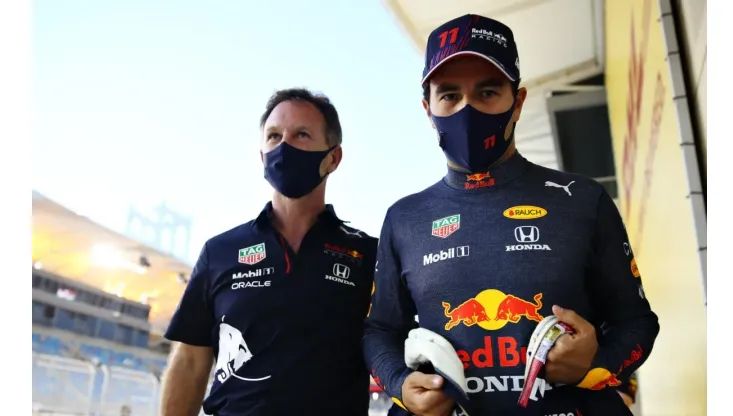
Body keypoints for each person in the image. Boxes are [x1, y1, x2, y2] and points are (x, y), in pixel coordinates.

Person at [363, 14, 660, 416]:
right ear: (428, 109)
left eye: (487, 92)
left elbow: (637, 323)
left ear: (517, 103)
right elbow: (380, 331)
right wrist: (400, 382)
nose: (467, 108)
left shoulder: (582, 199)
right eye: (449, 95)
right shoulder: (404, 218)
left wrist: (596, 365)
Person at [160, 88, 377, 416]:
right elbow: (190, 362)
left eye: (302, 134)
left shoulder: (368, 254)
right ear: (262, 155)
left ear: (333, 158)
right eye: (274, 136)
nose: (285, 145)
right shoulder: (220, 251)